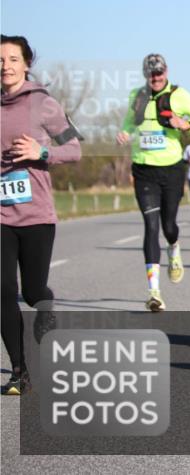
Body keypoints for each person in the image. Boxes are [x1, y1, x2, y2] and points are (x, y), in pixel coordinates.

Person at [1, 36, 82, 395]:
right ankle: (20, 371)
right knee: (3, 291)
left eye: (13, 58)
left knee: (33, 290)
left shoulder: (42, 103)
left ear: (26, 63)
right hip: (1, 216)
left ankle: (45, 307)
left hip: (35, 214)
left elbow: (75, 149)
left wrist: (40, 150)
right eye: (0, 59)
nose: (5, 65)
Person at [117, 54, 190, 312]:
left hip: (171, 170)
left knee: (168, 226)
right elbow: (130, 122)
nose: (156, 78)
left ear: (166, 71)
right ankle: (154, 293)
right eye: (151, 75)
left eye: (159, 74)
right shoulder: (136, 96)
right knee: (150, 226)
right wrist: (125, 132)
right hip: (144, 170)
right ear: (145, 75)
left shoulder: (180, 95)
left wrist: (186, 123)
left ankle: (174, 247)